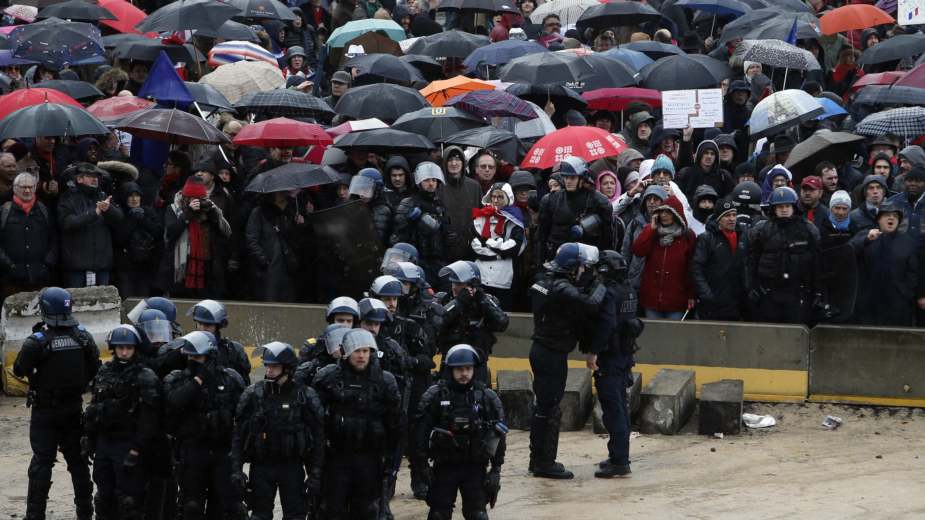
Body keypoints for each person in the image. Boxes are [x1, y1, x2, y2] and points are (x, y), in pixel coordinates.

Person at [14, 287, 100, 520]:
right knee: (78, 463)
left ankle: (35, 515)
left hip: (45, 411)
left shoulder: (37, 340)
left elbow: (19, 370)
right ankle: (85, 513)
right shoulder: (83, 336)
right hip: (73, 408)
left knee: (41, 464)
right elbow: (96, 370)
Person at [528, 243, 604, 479]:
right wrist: (601, 284)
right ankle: (545, 463)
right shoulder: (561, 287)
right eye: (582, 267)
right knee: (550, 409)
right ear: (572, 268)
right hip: (551, 354)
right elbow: (589, 304)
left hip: (542, 349)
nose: (584, 270)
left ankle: (538, 459)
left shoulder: (544, 280)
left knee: (543, 407)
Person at [312, 329, 402, 520]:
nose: (361, 355)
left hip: (370, 458)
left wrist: (391, 463)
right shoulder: (329, 378)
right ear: (346, 352)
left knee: (367, 510)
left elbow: (395, 424)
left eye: (366, 351)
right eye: (357, 350)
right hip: (336, 458)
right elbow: (316, 422)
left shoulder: (385, 381)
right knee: (331, 510)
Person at [231, 342, 326, 520]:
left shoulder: (304, 396)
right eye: (267, 365)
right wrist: (236, 469)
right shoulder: (254, 394)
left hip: (292, 466)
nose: (269, 370)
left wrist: (315, 473)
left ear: (288, 368)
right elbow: (238, 434)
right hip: (261, 466)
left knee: (296, 515)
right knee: (259, 515)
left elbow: (318, 437)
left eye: (274, 366)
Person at [415, 345, 507, 519]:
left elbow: (498, 436)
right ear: (450, 370)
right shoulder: (436, 396)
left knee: (477, 514)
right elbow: (420, 433)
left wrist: (496, 470)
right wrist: (422, 467)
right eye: (459, 369)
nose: (464, 373)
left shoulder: (486, 397)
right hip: (444, 467)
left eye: (468, 369)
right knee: (438, 514)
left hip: (475, 467)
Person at [163, 331, 246, 520]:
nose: (193, 360)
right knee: (191, 506)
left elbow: (243, 417)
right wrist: (198, 380)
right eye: (190, 356)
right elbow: (175, 402)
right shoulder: (178, 379)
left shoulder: (230, 379)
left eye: (197, 357)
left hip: (222, 452)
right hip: (192, 451)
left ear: (210, 356)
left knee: (224, 506)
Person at [82, 325, 160, 520]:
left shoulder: (145, 376)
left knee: (129, 502)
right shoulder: (104, 372)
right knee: (103, 497)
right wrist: (89, 438)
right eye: (120, 348)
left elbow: (149, 419)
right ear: (114, 348)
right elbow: (94, 406)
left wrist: (137, 448)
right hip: (104, 442)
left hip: (129, 442)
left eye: (129, 348)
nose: (124, 352)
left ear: (135, 349)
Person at [586, 251, 643, 478]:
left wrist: (593, 352)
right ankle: (617, 456)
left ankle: (619, 461)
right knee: (619, 407)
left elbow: (607, 324)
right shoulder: (628, 290)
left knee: (614, 410)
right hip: (624, 356)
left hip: (611, 356)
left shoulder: (609, 293)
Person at [746, 187, 822, 324]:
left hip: (798, 292)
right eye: (780, 206)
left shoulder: (808, 229)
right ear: (773, 209)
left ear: (794, 207)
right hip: (768, 292)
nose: (784, 209)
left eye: (787, 206)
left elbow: (817, 264)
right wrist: (751, 287)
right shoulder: (761, 230)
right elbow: (752, 261)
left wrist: (818, 291)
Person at [437, 261, 509, 386]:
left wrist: (482, 300)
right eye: (453, 283)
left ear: (471, 286)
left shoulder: (485, 300)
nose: (454, 287)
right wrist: (458, 303)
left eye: (459, 284)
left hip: (477, 363)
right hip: (450, 361)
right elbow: (437, 321)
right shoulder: (445, 300)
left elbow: (502, 323)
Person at [849, 203, 920, 327]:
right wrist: (866, 239)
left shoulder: (908, 242)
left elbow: (913, 272)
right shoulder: (867, 236)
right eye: (887, 215)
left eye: (895, 216)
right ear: (878, 220)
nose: (891, 218)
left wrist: (906, 293)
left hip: (898, 303)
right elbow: (848, 252)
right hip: (869, 302)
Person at [162, 177, 233, 298]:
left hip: (206, 267)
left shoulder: (209, 210)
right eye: (193, 198)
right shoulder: (174, 209)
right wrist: (188, 213)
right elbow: (171, 233)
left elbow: (226, 232)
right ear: (186, 197)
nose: (196, 202)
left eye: (200, 199)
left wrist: (213, 213)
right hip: (182, 268)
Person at [535, 157, 613, 263]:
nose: (568, 181)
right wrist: (540, 267)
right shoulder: (550, 200)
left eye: (572, 178)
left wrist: (601, 265)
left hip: (586, 260)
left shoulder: (599, 201)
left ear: (582, 178)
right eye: (566, 177)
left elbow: (607, 239)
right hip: (556, 258)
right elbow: (541, 236)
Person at [58, 163, 124, 288]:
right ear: (79, 179)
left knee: (103, 304)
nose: (95, 179)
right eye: (90, 176)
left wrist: (109, 209)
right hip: (76, 267)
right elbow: (67, 222)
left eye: (97, 177)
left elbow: (120, 218)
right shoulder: (68, 197)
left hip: (102, 266)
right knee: (77, 305)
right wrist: (94, 213)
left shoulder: (103, 196)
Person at [631, 196, 697, 320]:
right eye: (662, 212)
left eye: (668, 212)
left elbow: (691, 268)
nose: (664, 215)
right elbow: (638, 250)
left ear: (677, 214)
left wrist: (691, 295)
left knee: (673, 336)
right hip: (651, 300)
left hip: (676, 300)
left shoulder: (687, 236)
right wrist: (650, 229)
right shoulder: (652, 233)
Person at [391, 162, 453, 287]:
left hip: (438, 260)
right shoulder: (409, 203)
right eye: (426, 180)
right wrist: (411, 221)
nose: (431, 183)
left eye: (434, 180)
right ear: (419, 182)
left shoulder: (439, 204)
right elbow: (397, 237)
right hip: (418, 261)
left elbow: (444, 230)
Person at [0, 173, 56, 301]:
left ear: (35, 188)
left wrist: (46, 264)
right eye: (23, 187)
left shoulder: (44, 211)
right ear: (15, 188)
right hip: (11, 280)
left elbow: (54, 240)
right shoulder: (4, 211)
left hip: (40, 278)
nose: (27, 190)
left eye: (30, 187)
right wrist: (9, 265)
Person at [470, 182, 526, 308]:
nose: (495, 200)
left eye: (500, 197)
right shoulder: (480, 217)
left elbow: (514, 248)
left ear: (508, 198)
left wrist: (488, 242)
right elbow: (475, 246)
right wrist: (499, 252)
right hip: (481, 275)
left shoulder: (515, 219)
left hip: (504, 275)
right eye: (493, 196)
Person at [690, 199, 745, 321]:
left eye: (734, 215)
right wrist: (706, 294)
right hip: (713, 303)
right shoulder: (706, 239)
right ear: (719, 219)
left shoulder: (742, 236)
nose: (731, 219)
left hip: (736, 302)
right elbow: (696, 268)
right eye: (727, 216)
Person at [245, 190, 305, 302]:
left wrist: (300, 225)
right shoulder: (259, 212)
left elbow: (298, 241)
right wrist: (264, 261)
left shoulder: (291, 212)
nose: (284, 194)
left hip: (288, 268)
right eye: (280, 192)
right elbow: (252, 240)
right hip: (269, 269)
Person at [113, 181, 162, 298]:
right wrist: (132, 219)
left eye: (137, 195)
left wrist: (143, 219)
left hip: (146, 265)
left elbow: (158, 233)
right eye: (130, 195)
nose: (134, 199)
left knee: (143, 301)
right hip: (125, 266)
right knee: (127, 300)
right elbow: (119, 238)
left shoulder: (148, 211)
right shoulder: (119, 213)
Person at [185, 299, 251, 384]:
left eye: (208, 325)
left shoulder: (233, 350)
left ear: (218, 326)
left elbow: (243, 384)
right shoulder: (186, 347)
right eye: (199, 323)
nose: (202, 329)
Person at [439, 146, 482, 263]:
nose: (454, 163)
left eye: (457, 159)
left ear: (463, 162)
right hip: (445, 249)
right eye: (450, 160)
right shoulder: (438, 186)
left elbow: (480, 216)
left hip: (470, 247)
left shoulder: (474, 186)